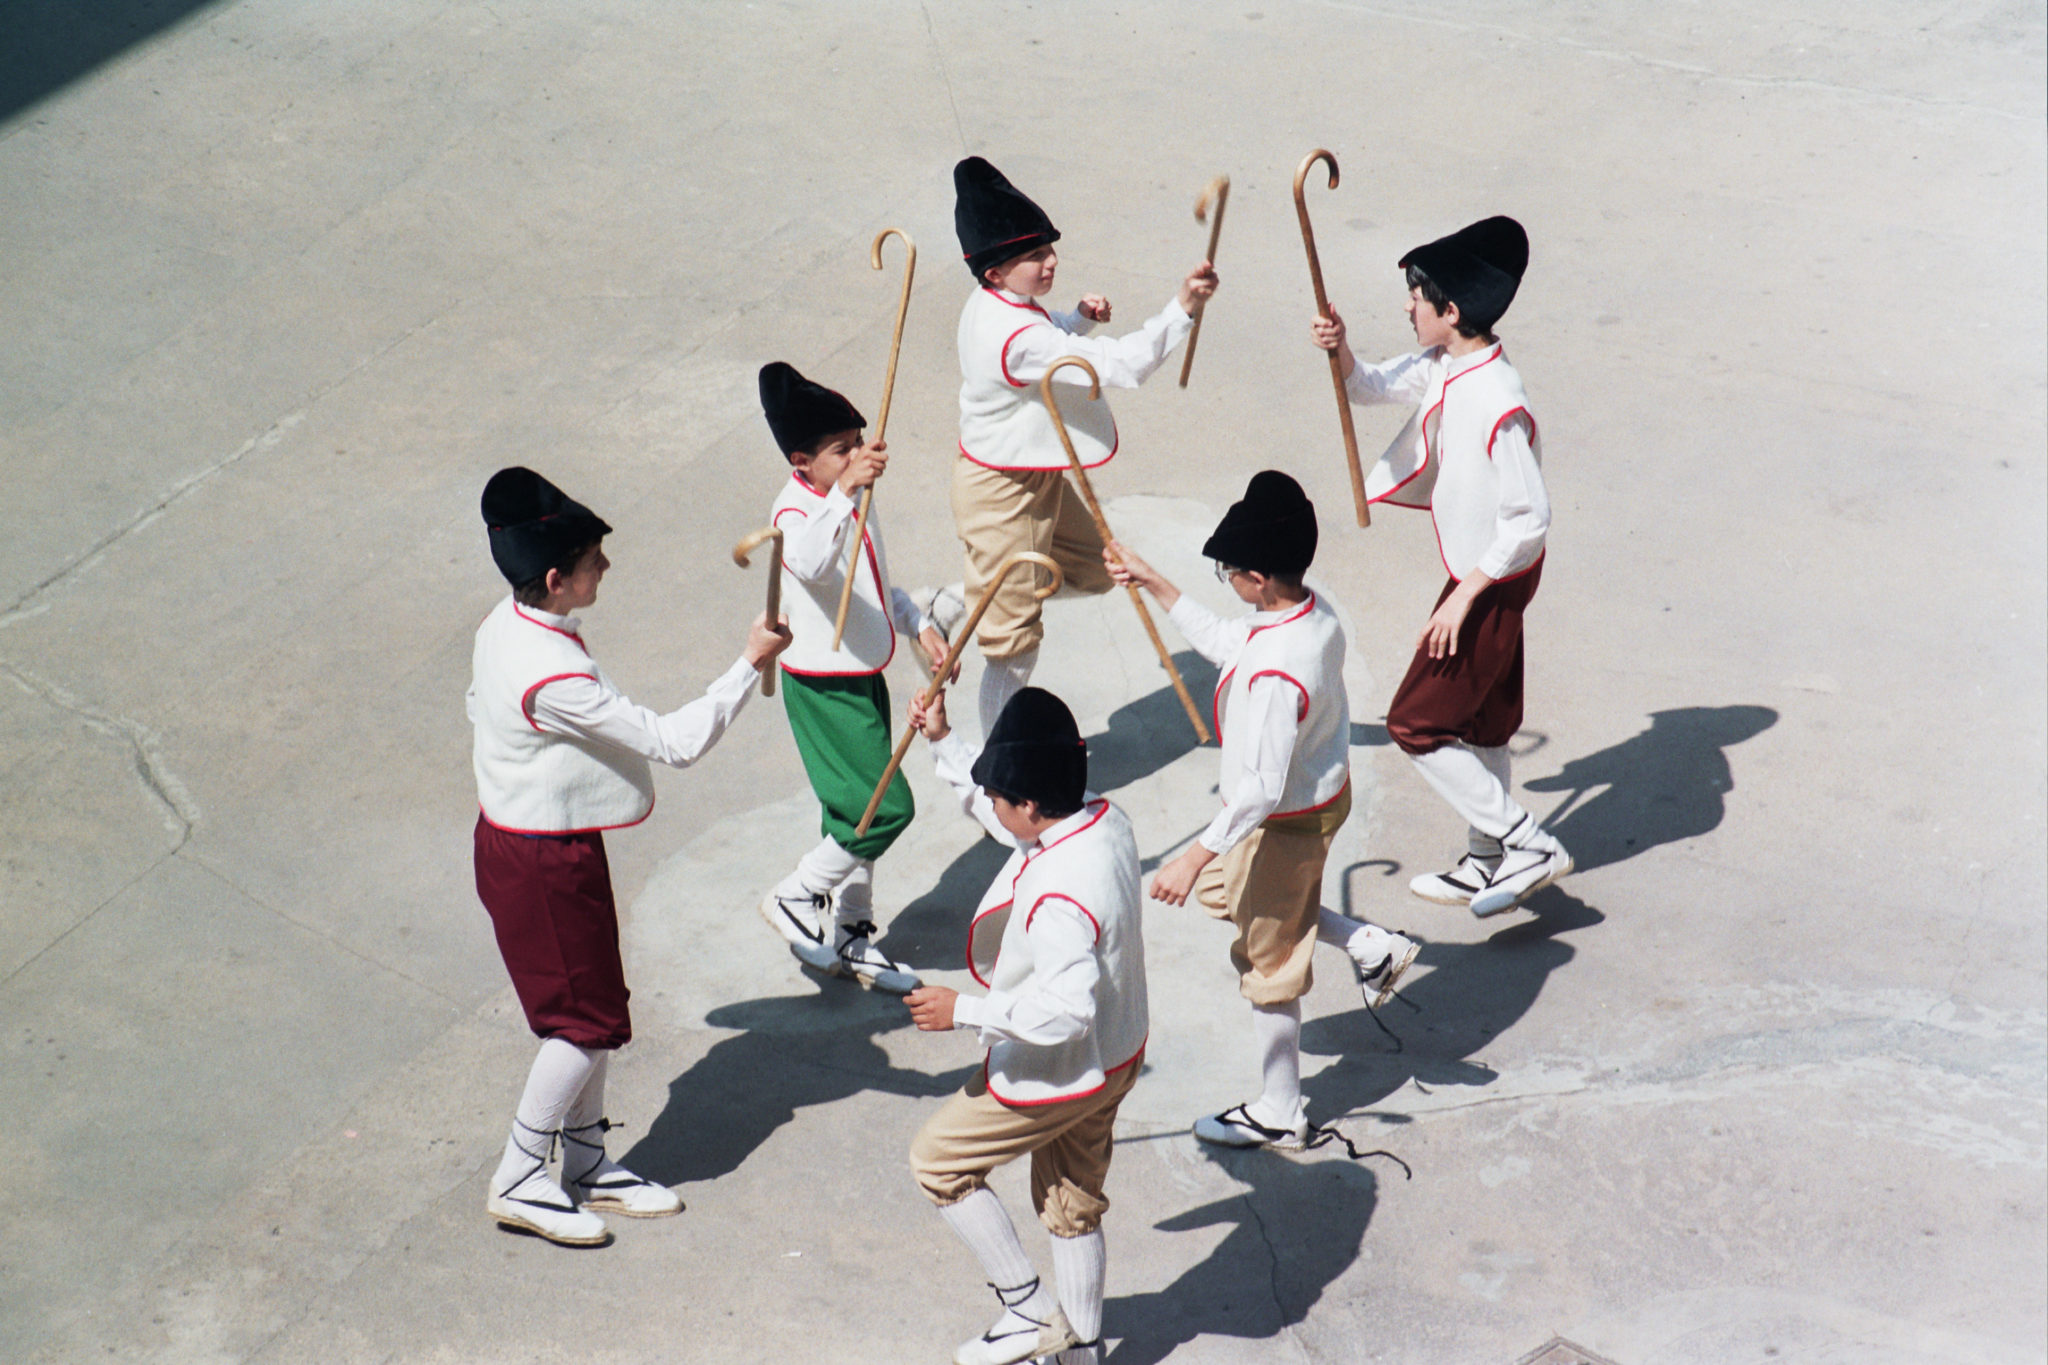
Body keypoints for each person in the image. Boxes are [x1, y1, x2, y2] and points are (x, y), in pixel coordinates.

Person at [468, 466, 790, 1246]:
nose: (605, 566)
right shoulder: (553, 675)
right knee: (581, 1023)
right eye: (592, 560)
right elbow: (673, 742)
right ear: (556, 578)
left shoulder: (507, 622)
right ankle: (520, 1173)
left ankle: (583, 1160)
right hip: (542, 861)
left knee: (599, 1009)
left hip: (536, 841)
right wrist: (750, 660)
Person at [1109, 471, 1417, 1150]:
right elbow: (1232, 641)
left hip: (1284, 821)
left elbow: (1259, 789)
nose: (1226, 581)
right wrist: (1153, 581)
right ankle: (1371, 944)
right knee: (1240, 900)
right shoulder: (1310, 612)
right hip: (1317, 798)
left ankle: (1281, 1109)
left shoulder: (1279, 672)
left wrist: (1191, 856)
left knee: (1268, 963)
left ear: (1257, 579)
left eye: (1228, 572)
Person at [1311, 215, 1571, 917]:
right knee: (1484, 724)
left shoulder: (1499, 400)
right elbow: (1367, 385)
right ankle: (1487, 860)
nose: (1408, 305)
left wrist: (1464, 597)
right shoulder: (1446, 362)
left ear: (1450, 312)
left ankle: (1529, 844)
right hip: (1484, 574)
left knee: (1416, 723)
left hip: (1492, 577)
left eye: (1417, 295)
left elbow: (1530, 519)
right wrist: (1340, 349)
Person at [902, 686, 1146, 1365]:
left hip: (1063, 1065)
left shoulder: (1060, 893)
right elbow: (1001, 811)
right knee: (1072, 1202)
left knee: (938, 1161)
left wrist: (963, 1010)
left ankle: (1025, 1308)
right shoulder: (1101, 816)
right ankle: (1080, 1353)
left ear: (1032, 805)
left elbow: (1068, 1009)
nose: (993, 803)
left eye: (1001, 794)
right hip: (1118, 1052)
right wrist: (944, 742)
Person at [950, 154, 1219, 736]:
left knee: (1097, 569)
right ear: (994, 272)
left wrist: (1075, 319)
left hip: (1031, 471)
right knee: (1013, 647)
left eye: (1049, 248)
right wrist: (1182, 308)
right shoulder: (1013, 335)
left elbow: (1043, 337)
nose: (1050, 261)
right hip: (1001, 493)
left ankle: (968, 597)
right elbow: (1120, 366)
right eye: (1034, 256)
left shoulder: (999, 303)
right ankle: (1001, 769)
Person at [752, 361, 952, 992]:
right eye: (842, 449)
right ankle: (796, 893)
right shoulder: (795, 510)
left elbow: (871, 584)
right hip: (824, 683)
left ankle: (852, 933)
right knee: (884, 809)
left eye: (860, 441)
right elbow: (812, 564)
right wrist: (844, 492)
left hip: (861, 669)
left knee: (850, 811)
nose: (860, 456)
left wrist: (918, 623)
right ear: (801, 460)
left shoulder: (850, 496)